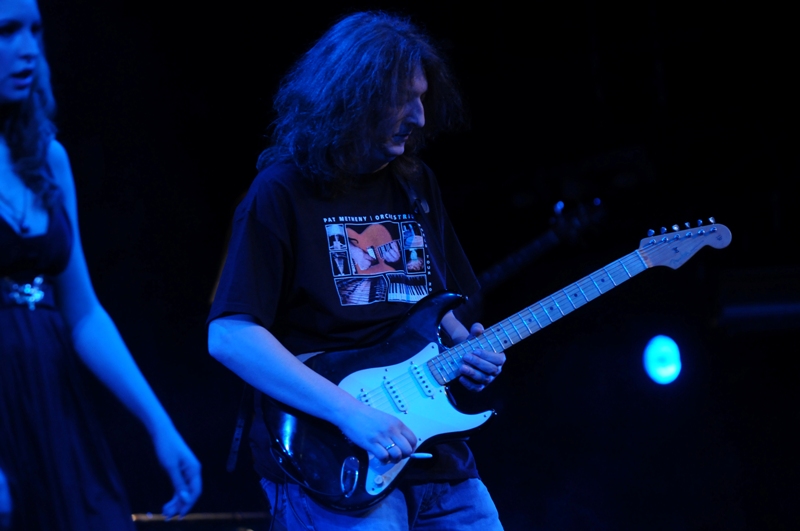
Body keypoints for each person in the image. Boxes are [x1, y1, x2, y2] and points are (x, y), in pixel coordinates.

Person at [207, 11, 505, 530]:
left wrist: (466, 349)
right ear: (353, 97)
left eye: (422, 98)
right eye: (403, 99)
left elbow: (436, 305)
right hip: (333, 459)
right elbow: (230, 335)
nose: (419, 117)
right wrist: (353, 414)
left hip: (436, 455)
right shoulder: (281, 192)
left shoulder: (416, 184)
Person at [0, 0, 202, 529]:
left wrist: (160, 426)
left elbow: (84, 313)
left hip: (51, 400)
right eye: (7, 31)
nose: (28, 49)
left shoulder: (47, 158)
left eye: (35, 30)